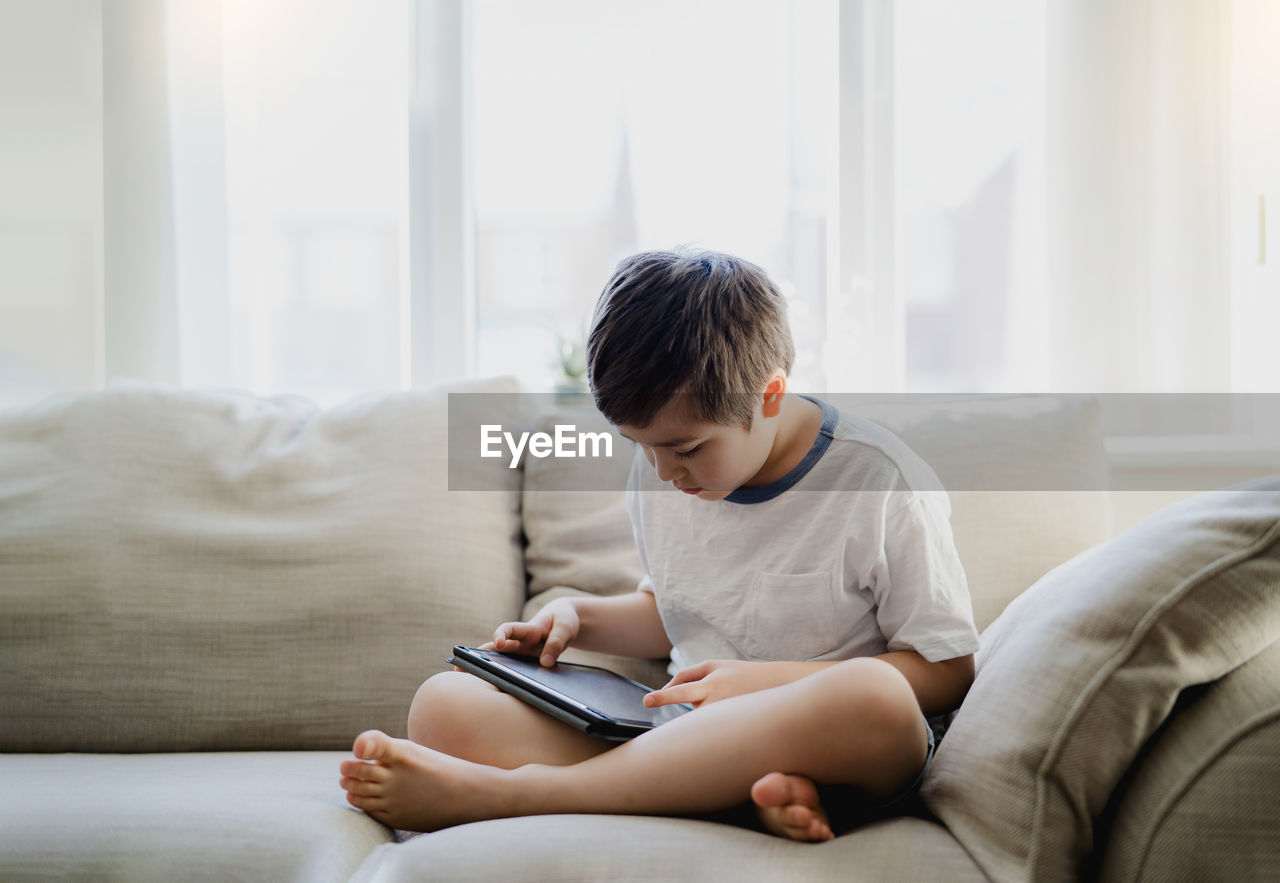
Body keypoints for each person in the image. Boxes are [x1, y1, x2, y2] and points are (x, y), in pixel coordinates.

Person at [339, 248, 980, 841]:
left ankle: (523, 795)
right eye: (642, 447)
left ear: (770, 396)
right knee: (443, 704)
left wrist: (764, 684)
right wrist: (578, 617)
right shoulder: (659, 472)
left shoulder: (879, 481)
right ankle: (737, 801)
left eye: (686, 448)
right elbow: (676, 611)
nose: (664, 472)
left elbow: (948, 669)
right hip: (680, 739)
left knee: (875, 699)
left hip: (835, 742)